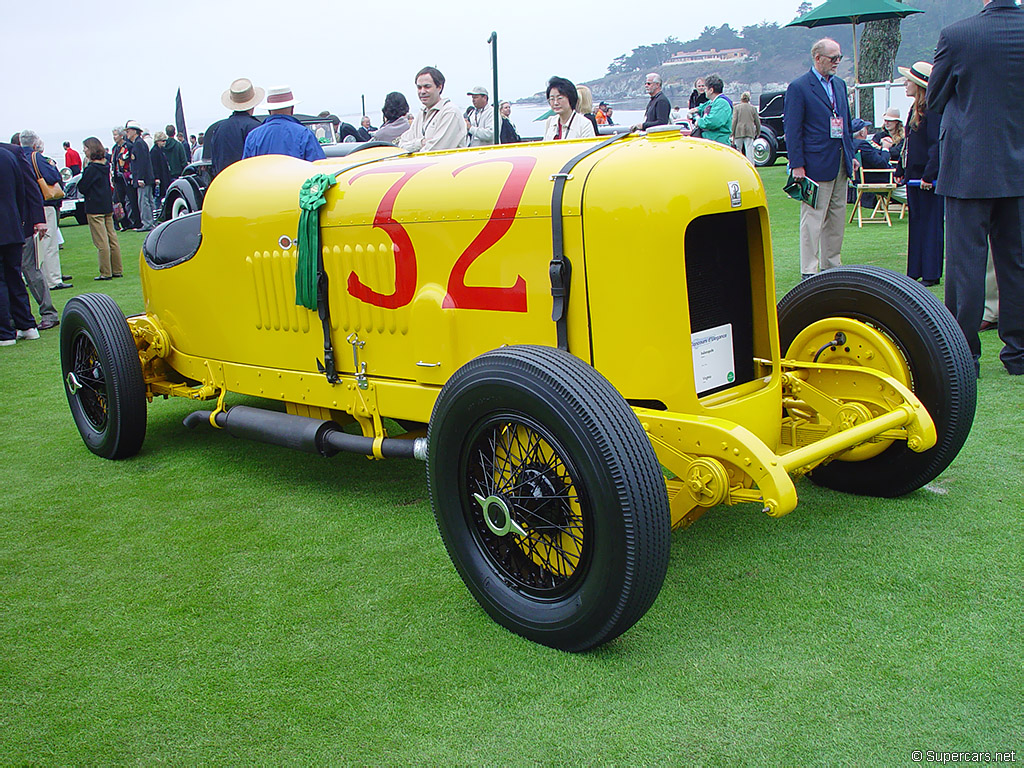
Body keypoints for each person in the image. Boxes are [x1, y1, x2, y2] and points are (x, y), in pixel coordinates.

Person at [929, 0, 1024, 376]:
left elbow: (934, 97)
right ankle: (1018, 353)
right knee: (1016, 262)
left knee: (965, 265)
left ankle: (964, 353)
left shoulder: (957, 35)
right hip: (1017, 166)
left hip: (969, 165)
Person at [784, 37, 856, 280]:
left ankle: (831, 266)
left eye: (839, 57)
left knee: (836, 218)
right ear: (817, 58)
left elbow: (845, 125)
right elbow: (793, 130)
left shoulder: (840, 86)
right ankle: (809, 270)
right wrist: (797, 165)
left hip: (840, 163)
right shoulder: (799, 87)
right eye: (832, 58)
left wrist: (851, 154)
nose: (837, 62)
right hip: (814, 165)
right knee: (813, 219)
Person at [893, 63, 943, 287]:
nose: (906, 83)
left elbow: (936, 145)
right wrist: (900, 170)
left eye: (909, 80)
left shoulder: (933, 109)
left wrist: (928, 174)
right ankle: (915, 270)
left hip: (927, 179)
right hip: (914, 176)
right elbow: (909, 145)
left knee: (931, 224)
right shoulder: (915, 109)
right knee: (917, 222)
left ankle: (931, 272)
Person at [2, 139, 58, 331]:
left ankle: (48, 312)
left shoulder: (13, 152)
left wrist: (38, 219)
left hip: (21, 223)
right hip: (12, 223)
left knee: (30, 269)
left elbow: (31, 187)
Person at [0, 145, 42, 347]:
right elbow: (21, 192)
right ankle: (27, 325)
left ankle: (5, 332)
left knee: (2, 280)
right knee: (15, 276)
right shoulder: (9, 157)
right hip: (12, 225)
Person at [19, 130, 69, 290]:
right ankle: (53, 279)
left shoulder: (18, 157)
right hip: (44, 203)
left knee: (31, 246)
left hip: (26, 206)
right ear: (35, 144)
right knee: (49, 243)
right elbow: (52, 176)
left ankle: (32, 276)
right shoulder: (37, 158)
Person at [77, 137, 123, 281]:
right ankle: (117, 269)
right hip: (106, 205)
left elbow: (83, 187)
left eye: (85, 148)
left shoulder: (91, 169)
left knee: (101, 241)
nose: (84, 150)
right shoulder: (105, 165)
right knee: (112, 237)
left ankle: (105, 271)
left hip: (94, 207)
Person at [242, 86, 326, 162]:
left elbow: (247, 169)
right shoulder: (304, 134)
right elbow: (319, 167)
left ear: (269, 110)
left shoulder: (253, 136)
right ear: (292, 108)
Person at [399, 67, 469, 153]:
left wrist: (412, 148)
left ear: (439, 87)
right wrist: (420, 143)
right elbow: (401, 146)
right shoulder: (421, 114)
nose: (422, 91)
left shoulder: (450, 112)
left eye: (427, 87)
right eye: (419, 87)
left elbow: (434, 152)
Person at [206, 78, 264, 177]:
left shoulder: (219, 128)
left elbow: (215, 161)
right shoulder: (255, 127)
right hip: (247, 183)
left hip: (223, 181)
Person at [542, 76, 596, 141]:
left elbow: (589, 148)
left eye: (559, 98)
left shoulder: (584, 124)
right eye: (552, 99)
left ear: (571, 98)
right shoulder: (550, 121)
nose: (555, 103)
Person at [124, 120, 155, 231]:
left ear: (134, 131)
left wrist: (140, 178)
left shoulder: (138, 144)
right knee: (147, 200)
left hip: (143, 178)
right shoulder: (139, 143)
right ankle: (150, 222)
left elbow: (141, 163)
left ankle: (147, 223)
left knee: (144, 201)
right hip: (145, 177)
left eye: (128, 131)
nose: (127, 133)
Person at [695, 75, 732, 145]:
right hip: (711, 142)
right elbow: (704, 106)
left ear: (711, 90)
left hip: (719, 143)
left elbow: (713, 122)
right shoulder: (713, 102)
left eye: (705, 88)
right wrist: (695, 110)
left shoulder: (722, 103)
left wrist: (699, 122)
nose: (704, 91)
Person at [111, 127, 135, 230]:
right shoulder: (115, 148)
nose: (114, 137)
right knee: (117, 201)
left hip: (126, 177)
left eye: (116, 135)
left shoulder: (128, 146)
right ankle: (122, 223)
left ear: (121, 135)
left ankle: (134, 221)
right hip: (118, 178)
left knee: (132, 199)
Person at [731, 91, 760, 161]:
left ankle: (739, 164)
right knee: (749, 150)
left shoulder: (736, 108)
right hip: (749, 131)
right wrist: (758, 131)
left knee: (738, 150)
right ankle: (751, 165)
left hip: (738, 131)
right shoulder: (753, 108)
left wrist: (732, 132)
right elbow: (757, 121)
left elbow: (734, 120)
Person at [151, 131, 172, 212]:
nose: (164, 143)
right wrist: (156, 178)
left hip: (163, 177)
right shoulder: (154, 152)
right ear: (157, 141)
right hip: (160, 178)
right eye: (163, 141)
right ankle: (156, 213)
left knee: (160, 197)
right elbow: (154, 166)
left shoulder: (160, 150)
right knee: (158, 198)